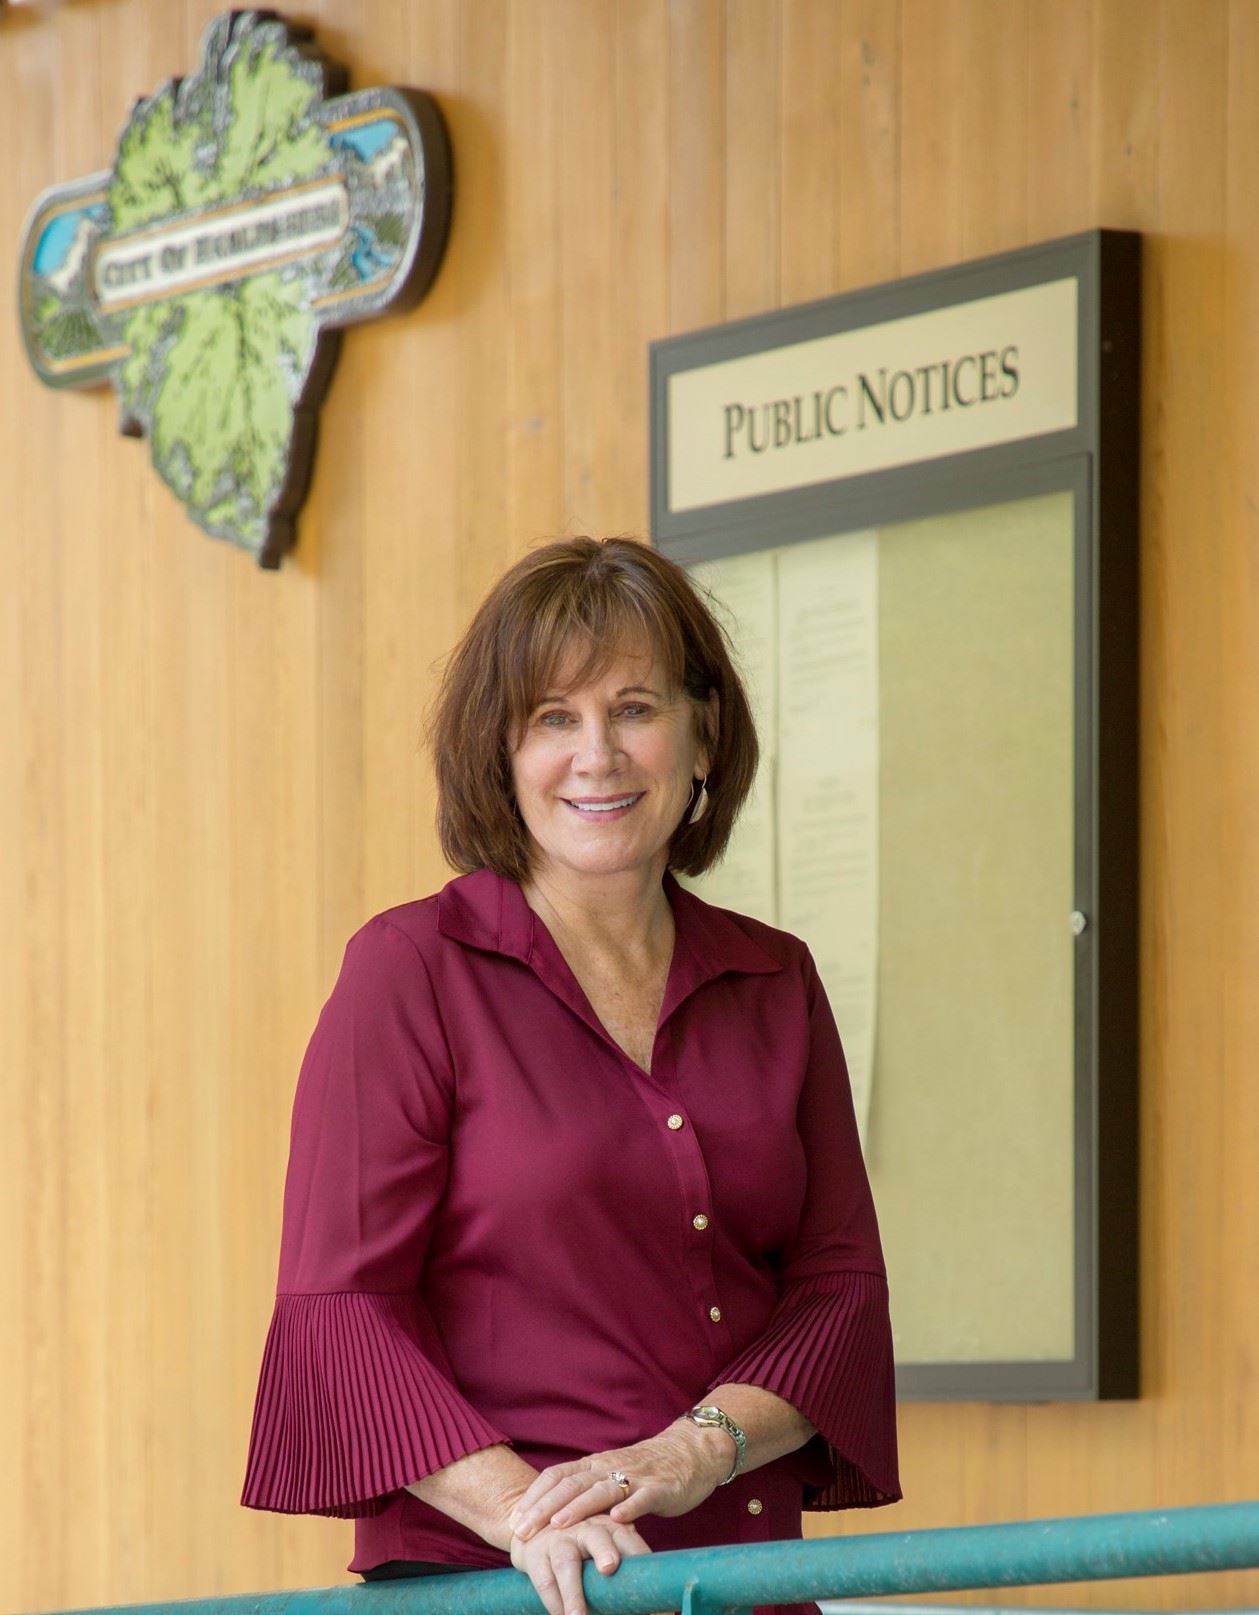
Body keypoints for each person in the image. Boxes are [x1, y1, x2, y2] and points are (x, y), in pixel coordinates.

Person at [241, 537, 900, 1615]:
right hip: (500, 1584)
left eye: (634, 708)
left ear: (702, 733)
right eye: (553, 717)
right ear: (500, 752)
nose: (597, 754)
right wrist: (532, 1516)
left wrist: (698, 1449)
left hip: (742, 1579)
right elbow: (341, 1315)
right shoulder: (409, 971)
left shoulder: (775, 979)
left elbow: (837, 1293)